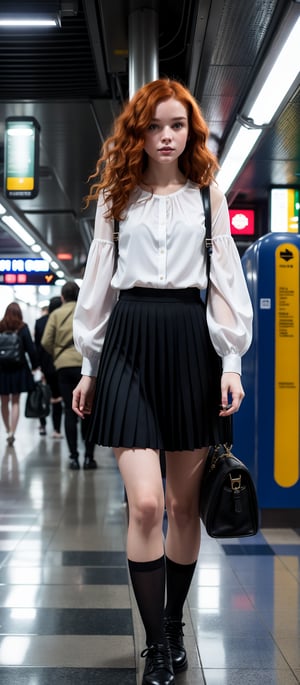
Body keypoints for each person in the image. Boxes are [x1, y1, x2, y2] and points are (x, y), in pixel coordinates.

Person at [71, 78, 253, 685]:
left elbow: (226, 280)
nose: (167, 136)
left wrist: (230, 360)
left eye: (178, 126)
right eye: (155, 126)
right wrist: (89, 365)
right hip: (128, 340)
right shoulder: (117, 199)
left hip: (189, 341)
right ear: (138, 133)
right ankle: (155, 643)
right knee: (145, 502)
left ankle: (173, 625)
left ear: (191, 132)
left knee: (181, 506)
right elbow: (98, 284)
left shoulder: (207, 197)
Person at [41, 281, 97, 470]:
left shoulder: (56, 314)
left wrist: (58, 355)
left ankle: (73, 457)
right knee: (88, 410)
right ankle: (89, 457)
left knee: (69, 410)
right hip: (86, 366)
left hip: (63, 366)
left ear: (63, 297)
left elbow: (46, 341)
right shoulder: (86, 312)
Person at [0, 302, 38, 446]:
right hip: (18, 368)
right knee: (15, 401)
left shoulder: (0, 326)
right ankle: (12, 433)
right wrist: (35, 366)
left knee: (4, 401)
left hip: (2, 369)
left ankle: (7, 429)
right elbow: (31, 349)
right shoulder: (22, 327)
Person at [34, 296, 63, 437]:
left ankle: (43, 426)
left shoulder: (39, 323)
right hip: (59, 364)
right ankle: (57, 429)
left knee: (42, 395)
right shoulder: (62, 320)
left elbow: (37, 347)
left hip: (44, 365)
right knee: (57, 397)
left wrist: (37, 366)